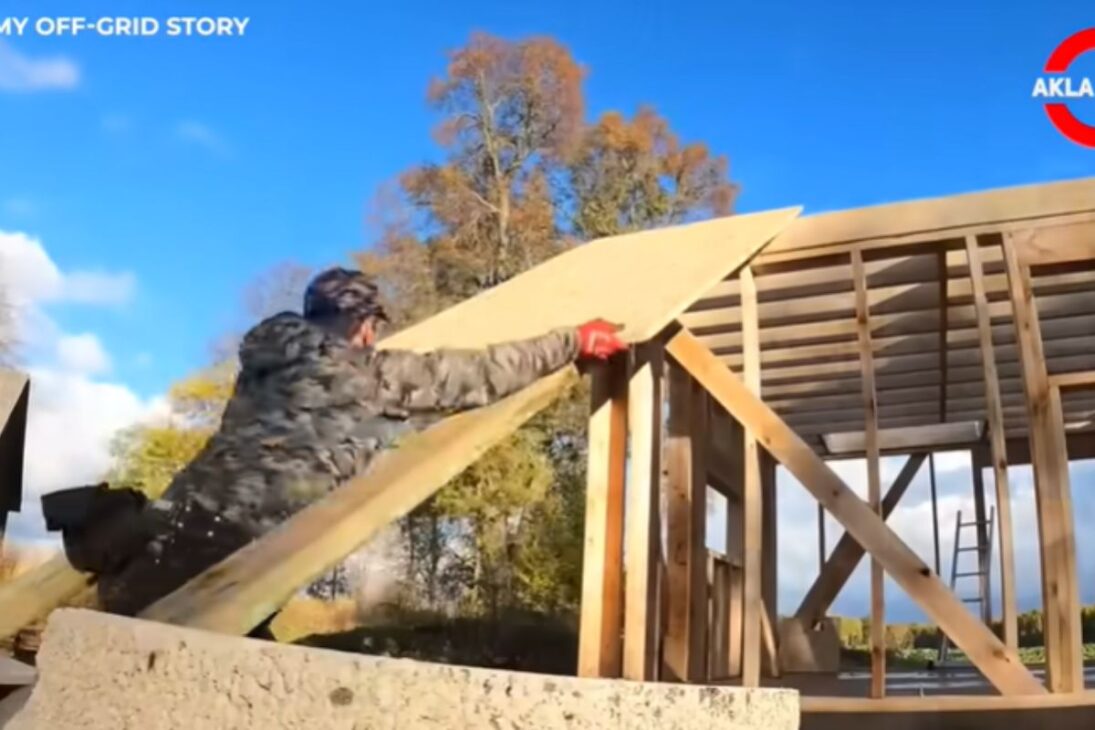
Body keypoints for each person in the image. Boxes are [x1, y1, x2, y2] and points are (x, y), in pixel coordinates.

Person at [68, 267, 627, 619]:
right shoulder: (366, 377)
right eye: (373, 329)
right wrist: (573, 341)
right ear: (363, 324)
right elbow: (477, 373)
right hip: (228, 560)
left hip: (155, 541)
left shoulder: (262, 369)